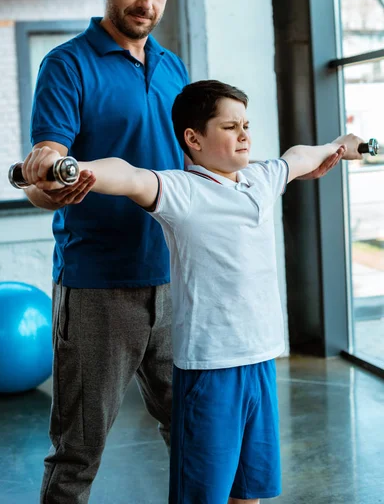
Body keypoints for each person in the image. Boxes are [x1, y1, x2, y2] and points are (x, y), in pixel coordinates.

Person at [22, 79, 364, 504]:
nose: (244, 135)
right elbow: (127, 175)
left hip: (260, 362)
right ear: (193, 138)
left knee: (249, 492)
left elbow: (297, 157)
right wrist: (66, 167)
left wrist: (337, 145)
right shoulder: (182, 191)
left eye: (246, 125)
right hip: (210, 370)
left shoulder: (259, 178)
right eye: (229, 127)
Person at [24, 0, 190, 503]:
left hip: (175, 278)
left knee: (195, 437)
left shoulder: (174, 69)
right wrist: (48, 173)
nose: (147, 2)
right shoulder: (66, 66)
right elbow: (46, 164)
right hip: (97, 290)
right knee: (77, 454)